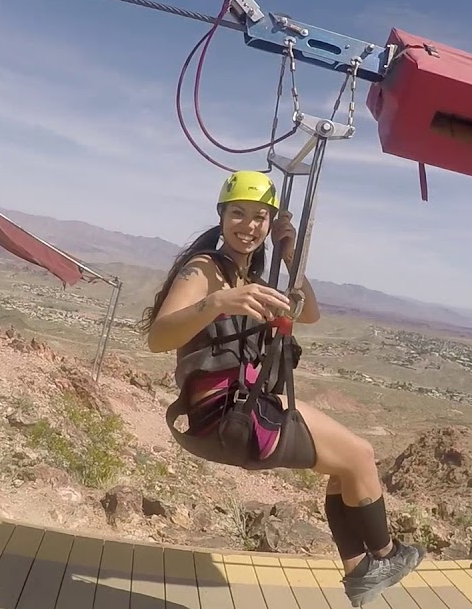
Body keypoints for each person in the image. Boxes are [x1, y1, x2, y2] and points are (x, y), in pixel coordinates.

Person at [139, 169, 424, 607]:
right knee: (361, 455)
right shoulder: (206, 270)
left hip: (242, 405)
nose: (249, 226)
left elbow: (308, 312)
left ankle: (361, 571)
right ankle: (386, 555)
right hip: (228, 414)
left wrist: (289, 250)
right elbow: (160, 337)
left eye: (260, 218)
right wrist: (216, 302)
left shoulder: (247, 274)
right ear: (221, 215)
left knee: (344, 466)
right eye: (239, 214)